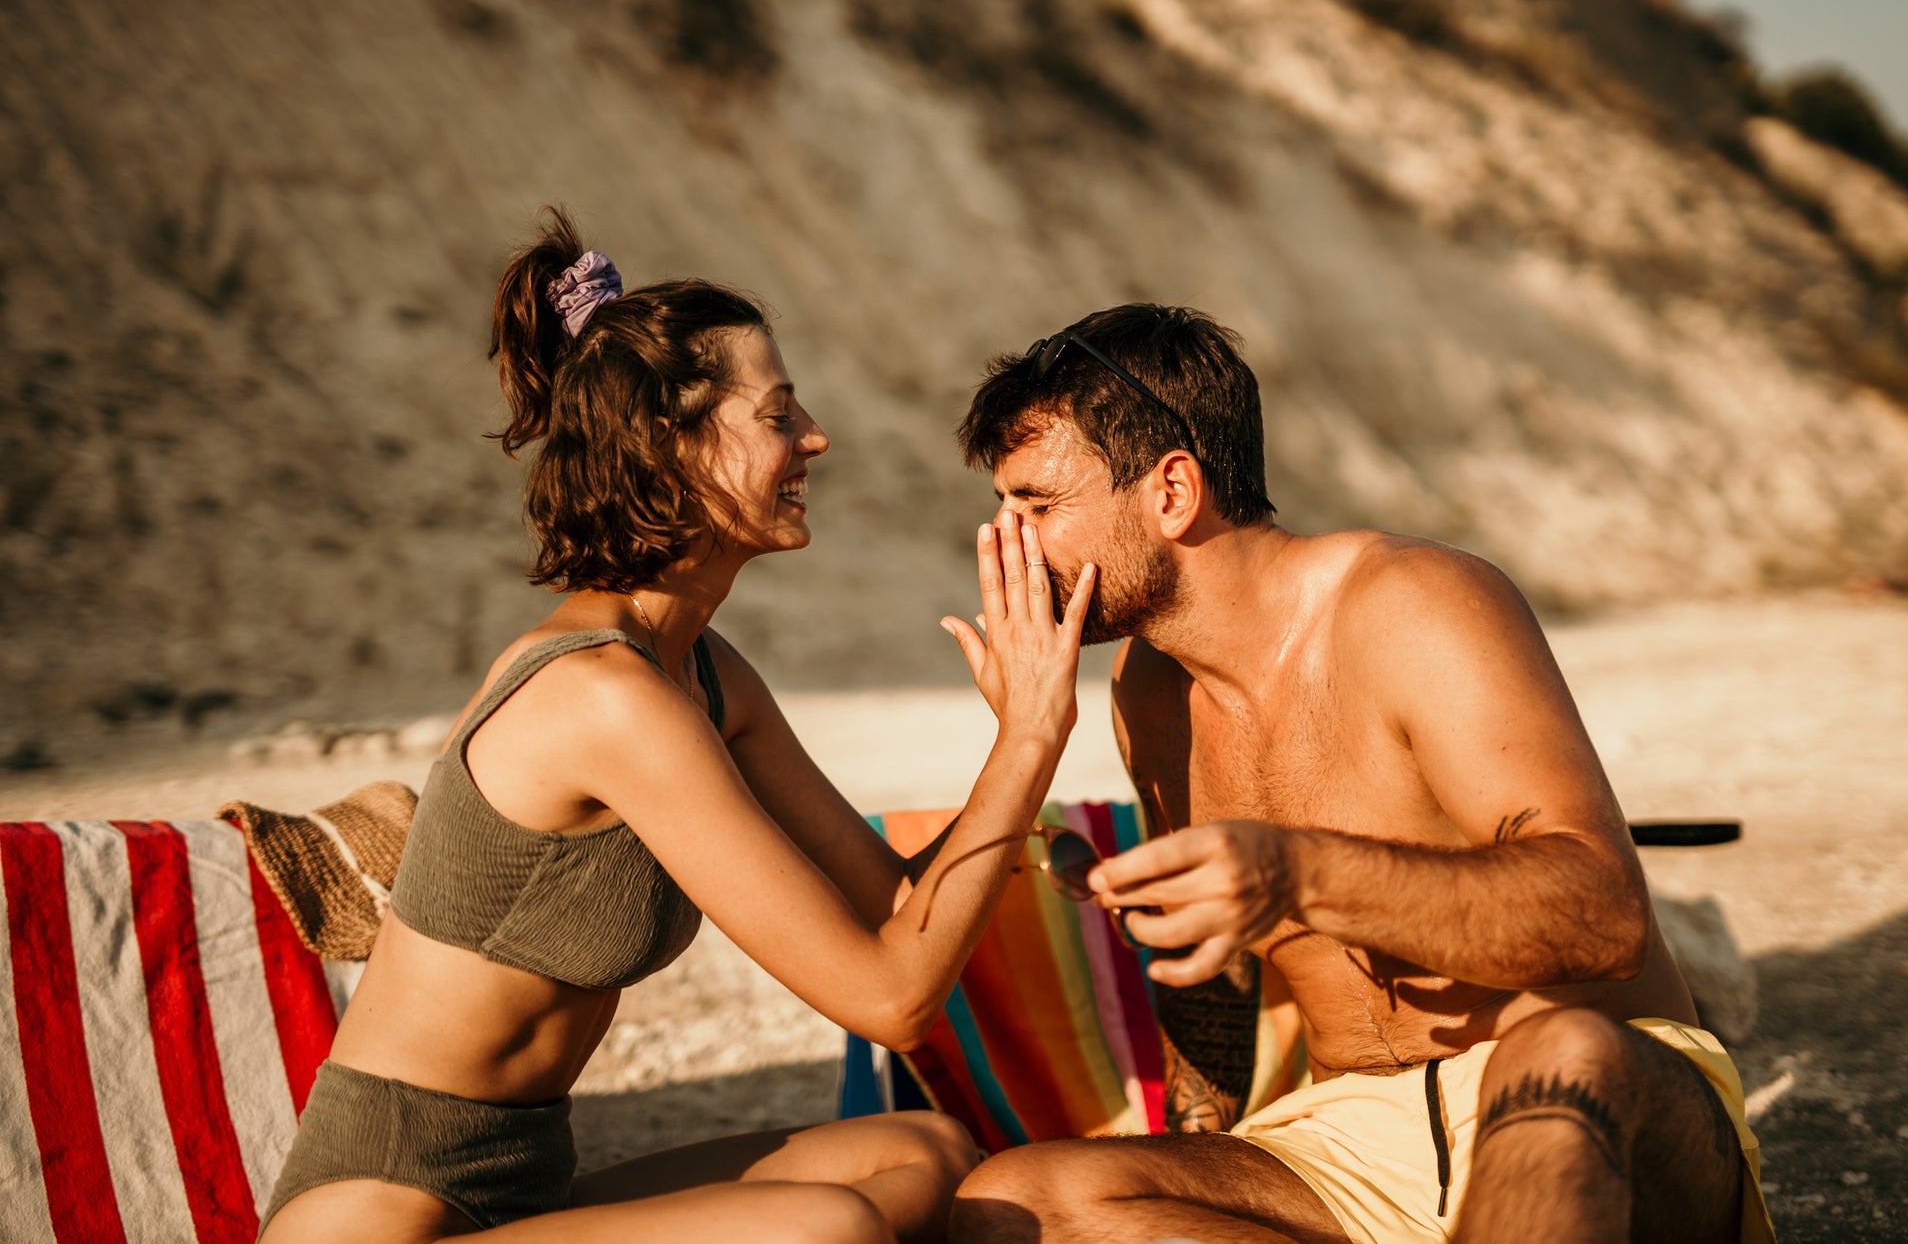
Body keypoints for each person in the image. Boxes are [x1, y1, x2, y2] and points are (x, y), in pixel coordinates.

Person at [259, 209, 1098, 1244]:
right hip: (381, 1211)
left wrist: (1040, 816)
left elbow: (892, 902)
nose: (815, 437)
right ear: (671, 443)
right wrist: (1029, 738)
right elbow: (891, 1000)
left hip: (526, 1186)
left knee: (926, 1152)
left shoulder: (702, 674)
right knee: (828, 1229)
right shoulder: (603, 696)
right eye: (778, 413)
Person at [945, 305, 1774, 1244]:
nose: (1005, 543)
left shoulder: (1411, 603)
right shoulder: (1148, 689)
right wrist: (1197, 1148)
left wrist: (1295, 872)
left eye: (1037, 506)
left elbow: (1605, 916)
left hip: (1580, 1097)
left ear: (1172, 490)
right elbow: (1212, 979)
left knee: (1562, 1053)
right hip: (1352, 1144)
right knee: (1020, 1201)